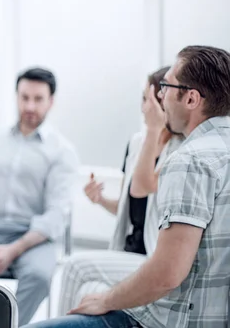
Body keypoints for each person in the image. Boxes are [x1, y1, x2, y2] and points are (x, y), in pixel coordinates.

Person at [25, 45, 230, 328]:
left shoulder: (189, 158)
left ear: (192, 98)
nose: (159, 96)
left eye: (166, 87)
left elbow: (167, 273)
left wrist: (107, 300)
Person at [56, 67, 183, 316]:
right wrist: (101, 200)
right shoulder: (137, 143)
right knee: (88, 291)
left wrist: (154, 131)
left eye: (148, 100)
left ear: (161, 101)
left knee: (74, 268)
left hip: (152, 257)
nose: (143, 107)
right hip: (127, 251)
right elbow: (131, 206)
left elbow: (143, 186)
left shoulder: (181, 149)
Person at [0, 67, 79, 325]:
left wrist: (13, 250)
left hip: (32, 237)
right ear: (16, 96)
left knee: (39, 276)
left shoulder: (62, 151)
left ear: (51, 101)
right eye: (24, 97)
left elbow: (55, 216)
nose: (30, 106)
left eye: (38, 99)